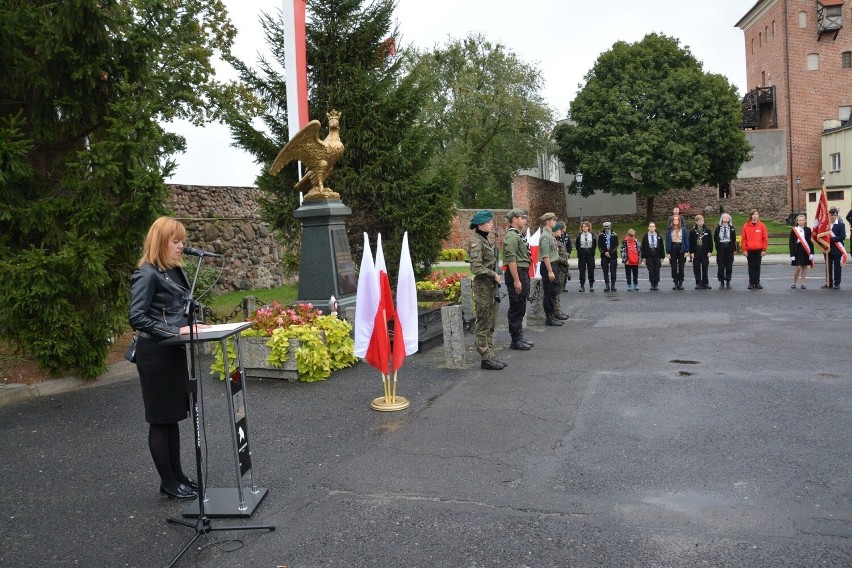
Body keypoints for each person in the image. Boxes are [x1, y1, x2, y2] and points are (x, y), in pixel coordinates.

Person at [129, 216, 209, 500]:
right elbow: (136, 316)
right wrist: (176, 329)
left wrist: (193, 323)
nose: (181, 246)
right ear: (160, 242)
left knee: (173, 418)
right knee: (161, 420)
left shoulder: (174, 270)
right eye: (175, 241)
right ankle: (167, 482)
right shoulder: (147, 272)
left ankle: (178, 477)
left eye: (182, 241)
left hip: (173, 350)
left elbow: (179, 308)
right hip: (155, 354)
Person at [467, 210, 506, 370]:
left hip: (491, 287)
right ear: (481, 225)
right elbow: (475, 267)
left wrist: (497, 272)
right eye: (489, 222)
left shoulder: (485, 240)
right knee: (483, 322)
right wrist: (492, 274)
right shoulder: (476, 242)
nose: (491, 224)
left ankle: (490, 354)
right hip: (483, 288)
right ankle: (485, 357)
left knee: (491, 322)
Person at [503, 208, 534, 350]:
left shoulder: (518, 235)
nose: (525, 220)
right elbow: (511, 260)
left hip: (522, 272)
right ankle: (515, 340)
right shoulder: (511, 236)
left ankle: (519, 336)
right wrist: (516, 280)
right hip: (517, 273)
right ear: (514, 219)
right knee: (516, 306)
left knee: (521, 305)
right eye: (522, 217)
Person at [538, 212, 564, 326]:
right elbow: (546, 255)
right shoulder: (545, 236)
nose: (555, 222)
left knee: (553, 292)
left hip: (554, 264)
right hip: (549, 265)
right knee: (549, 292)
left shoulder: (549, 235)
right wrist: (550, 271)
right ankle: (549, 317)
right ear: (548, 221)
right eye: (553, 220)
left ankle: (552, 315)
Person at [741, 208, 768, 290]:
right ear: (750, 216)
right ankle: (751, 283)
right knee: (751, 266)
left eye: (756, 214)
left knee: (757, 266)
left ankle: (757, 282)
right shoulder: (746, 226)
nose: (755, 216)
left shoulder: (762, 226)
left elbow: (765, 238)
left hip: (759, 249)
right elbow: (744, 239)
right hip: (750, 250)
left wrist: (764, 249)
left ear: (758, 216)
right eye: (753, 214)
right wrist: (744, 250)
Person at [788, 213, 814, 289]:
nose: (801, 221)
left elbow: (810, 242)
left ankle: (803, 283)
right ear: (797, 221)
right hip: (797, 249)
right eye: (799, 220)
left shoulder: (808, 230)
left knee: (805, 266)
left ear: (805, 221)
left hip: (806, 250)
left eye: (802, 220)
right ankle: (794, 283)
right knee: (798, 267)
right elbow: (791, 243)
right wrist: (792, 254)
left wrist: (812, 253)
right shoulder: (794, 230)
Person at [689, 214, 714, 289]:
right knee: (696, 267)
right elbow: (691, 242)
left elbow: (710, 241)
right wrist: (692, 252)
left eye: (702, 220)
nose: (701, 222)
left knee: (705, 267)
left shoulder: (707, 230)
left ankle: (705, 283)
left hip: (704, 251)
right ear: (696, 222)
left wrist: (710, 251)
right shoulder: (693, 231)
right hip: (696, 251)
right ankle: (698, 283)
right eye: (699, 221)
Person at [553, 222, 571, 318]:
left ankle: (558, 309)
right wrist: (564, 261)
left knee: (559, 291)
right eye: (559, 230)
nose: (561, 231)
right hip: (559, 267)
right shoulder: (554, 241)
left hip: (563, 268)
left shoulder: (559, 240)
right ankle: (556, 311)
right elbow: (556, 255)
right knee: (556, 291)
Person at [666, 214, 689, 290]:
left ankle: (681, 282)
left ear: (679, 221)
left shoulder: (683, 229)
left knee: (681, 266)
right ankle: (675, 282)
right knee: (674, 266)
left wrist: (686, 251)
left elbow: (686, 240)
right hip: (673, 247)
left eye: (677, 219)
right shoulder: (669, 229)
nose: (675, 221)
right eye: (674, 219)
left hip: (681, 247)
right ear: (672, 221)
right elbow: (667, 241)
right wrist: (668, 252)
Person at [826, 207, 847, 289]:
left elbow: (842, 236)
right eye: (831, 215)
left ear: (837, 216)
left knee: (837, 267)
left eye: (835, 215)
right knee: (828, 267)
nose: (833, 217)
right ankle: (829, 282)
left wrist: (831, 239)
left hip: (837, 248)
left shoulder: (841, 225)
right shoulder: (826, 225)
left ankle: (837, 283)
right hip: (827, 249)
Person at [640, 222, 665, 291]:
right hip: (649, 254)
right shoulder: (645, 237)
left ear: (655, 228)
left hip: (657, 253)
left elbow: (662, 247)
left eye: (653, 226)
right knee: (651, 269)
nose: (652, 228)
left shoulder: (659, 236)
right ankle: (652, 283)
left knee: (657, 269)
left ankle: (656, 283)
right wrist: (643, 257)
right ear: (648, 228)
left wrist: (662, 257)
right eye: (650, 226)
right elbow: (643, 247)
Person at [714, 213, 736, 289]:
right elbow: (716, 239)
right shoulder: (718, 228)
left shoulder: (732, 228)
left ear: (729, 219)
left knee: (729, 265)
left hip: (729, 247)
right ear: (722, 219)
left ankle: (728, 281)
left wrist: (734, 249)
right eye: (724, 217)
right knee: (721, 265)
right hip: (721, 247)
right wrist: (718, 248)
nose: (726, 218)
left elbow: (734, 239)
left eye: (727, 217)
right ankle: (722, 281)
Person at [575, 221, 596, 292]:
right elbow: (577, 245)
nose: (584, 228)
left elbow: (594, 245)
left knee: (591, 269)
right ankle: (582, 285)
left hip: (590, 253)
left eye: (586, 226)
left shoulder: (592, 235)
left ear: (589, 227)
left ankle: (591, 285)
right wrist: (580, 252)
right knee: (582, 269)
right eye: (583, 226)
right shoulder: (579, 236)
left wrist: (592, 252)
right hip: (582, 253)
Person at [597, 221, 619, 291]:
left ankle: (613, 285)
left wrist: (610, 252)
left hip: (613, 255)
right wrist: (605, 252)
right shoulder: (601, 235)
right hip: (604, 256)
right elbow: (599, 246)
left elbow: (616, 245)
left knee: (613, 270)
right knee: (605, 270)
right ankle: (607, 285)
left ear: (610, 227)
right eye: (605, 228)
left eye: (608, 228)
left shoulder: (614, 235)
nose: (607, 230)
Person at [557, 222, 573, 288]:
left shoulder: (566, 236)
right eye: (565, 227)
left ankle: (564, 285)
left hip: (565, 254)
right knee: (561, 270)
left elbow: (569, 245)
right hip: (560, 255)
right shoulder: (558, 236)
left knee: (565, 269)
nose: (566, 228)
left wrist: (568, 252)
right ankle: (560, 284)